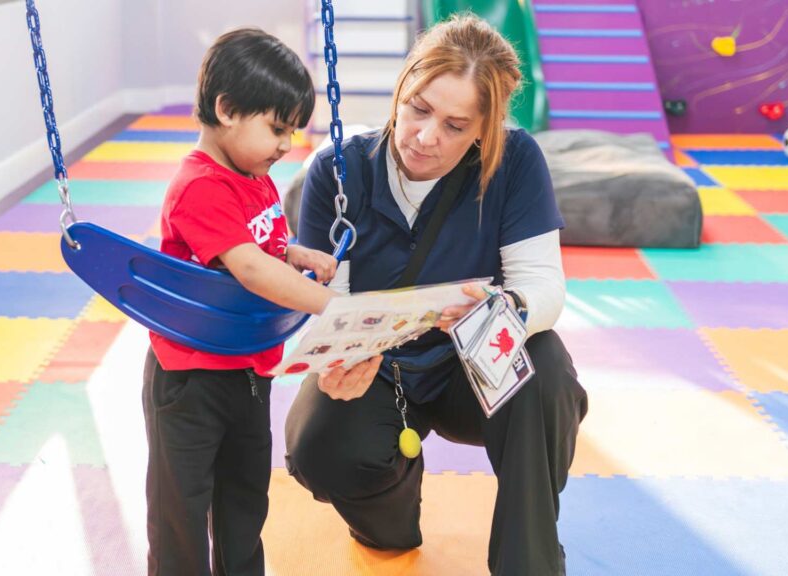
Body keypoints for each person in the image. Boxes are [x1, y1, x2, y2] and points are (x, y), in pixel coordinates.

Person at [284, 14, 588, 576]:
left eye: (455, 125)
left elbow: (542, 284)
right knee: (317, 449)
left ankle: (531, 561)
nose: (426, 137)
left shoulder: (515, 161)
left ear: (484, 129)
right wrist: (335, 363)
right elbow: (327, 303)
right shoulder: (336, 170)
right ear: (401, 91)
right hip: (378, 373)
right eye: (419, 109)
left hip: (467, 371)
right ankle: (392, 512)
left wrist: (508, 312)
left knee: (545, 370)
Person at [141, 28, 376, 576]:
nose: (285, 145)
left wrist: (295, 251)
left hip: (248, 371)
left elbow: (258, 243)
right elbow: (247, 266)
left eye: (291, 131)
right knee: (182, 505)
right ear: (226, 109)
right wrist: (329, 304)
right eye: (277, 128)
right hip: (191, 378)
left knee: (245, 499)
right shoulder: (199, 184)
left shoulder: (252, 175)